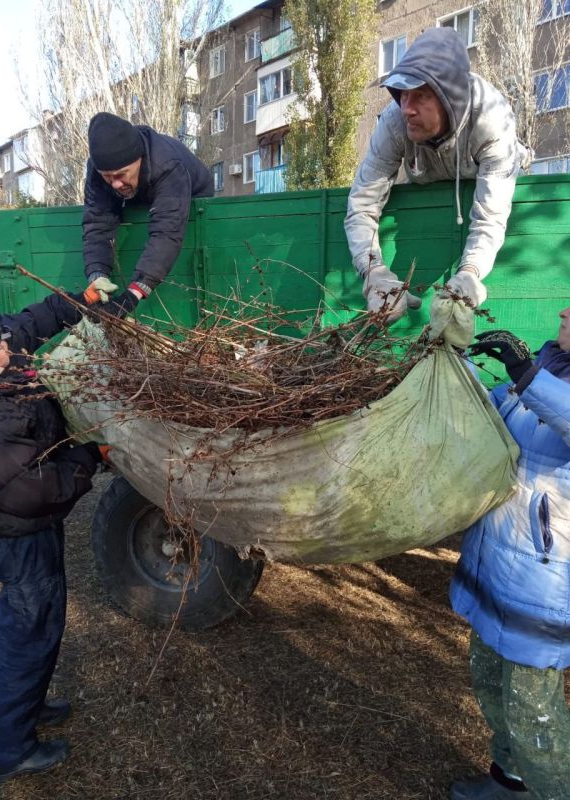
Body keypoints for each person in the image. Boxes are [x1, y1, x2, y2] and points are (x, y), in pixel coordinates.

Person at [0, 288, 116, 783]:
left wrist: (81, 299)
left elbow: (32, 321)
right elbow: (37, 491)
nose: (8, 346)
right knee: (30, 633)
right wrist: (91, 457)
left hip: (27, 528)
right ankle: (9, 750)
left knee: (42, 622)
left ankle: (29, 706)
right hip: (17, 535)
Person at [449, 307, 570, 799]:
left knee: (533, 712)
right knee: (492, 688)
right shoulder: (548, 367)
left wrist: (527, 374)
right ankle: (509, 783)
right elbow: (490, 415)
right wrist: (454, 362)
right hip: (497, 561)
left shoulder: (541, 378)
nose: (564, 310)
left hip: (543, 583)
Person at [345, 27, 528, 324]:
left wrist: (470, 273)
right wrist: (374, 271)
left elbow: (490, 217)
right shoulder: (394, 121)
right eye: (403, 94)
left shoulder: (493, 121)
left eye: (420, 95)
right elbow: (363, 203)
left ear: (449, 97)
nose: (407, 108)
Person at [83, 111, 214, 305]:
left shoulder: (167, 164)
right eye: (108, 177)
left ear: (139, 159)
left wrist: (133, 294)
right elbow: (97, 222)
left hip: (192, 195)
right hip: (143, 194)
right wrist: (97, 276)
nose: (115, 184)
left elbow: (167, 231)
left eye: (121, 174)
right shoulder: (97, 169)